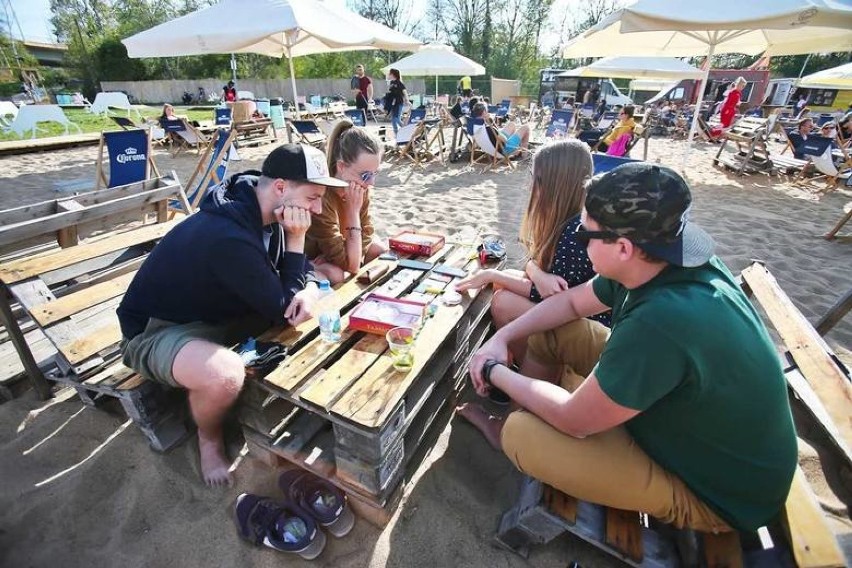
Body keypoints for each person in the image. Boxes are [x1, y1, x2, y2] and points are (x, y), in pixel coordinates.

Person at [459, 162, 797, 534]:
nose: (578, 239)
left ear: (623, 247)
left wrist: (495, 372)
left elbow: (575, 421)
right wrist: (501, 339)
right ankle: (516, 420)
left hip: (720, 494)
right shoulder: (660, 261)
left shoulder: (662, 320)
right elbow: (571, 304)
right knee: (553, 331)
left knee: (521, 435)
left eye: (586, 235)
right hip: (690, 421)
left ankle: (510, 429)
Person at [117, 144, 348, 486]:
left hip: (214, 315)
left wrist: (310, 288)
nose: (316, 209)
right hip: (158, 332)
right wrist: (297, 239)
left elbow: (300, 281)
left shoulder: (262, 208)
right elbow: (283, 305)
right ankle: (208, 439)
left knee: (324, 286)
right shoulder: (231, 236)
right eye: (314, 197)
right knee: (225, 375)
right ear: (281, 188)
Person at [456, 139, 609, 363]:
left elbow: (551, 296)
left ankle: (526, 367)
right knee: (505, 281)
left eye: (535, 179)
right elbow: (535, 266)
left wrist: (491, 273)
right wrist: (538, 274)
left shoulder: (575, 233)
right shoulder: (571, 218)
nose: (530, 186)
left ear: (553, 184)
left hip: (592, 324)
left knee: (503, 301)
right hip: (576, 311)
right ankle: (517, 360)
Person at [306, 121, 387, 284]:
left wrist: (348, 247)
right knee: (337, 273)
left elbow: (368, 233)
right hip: (310, 258)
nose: (371, 183)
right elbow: (351, 265)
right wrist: (352, 212)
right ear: (341, 166)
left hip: (342, 249)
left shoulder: (360, 189)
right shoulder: (322, 197)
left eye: (375, 174)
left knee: (381, 251)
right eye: (365, 175)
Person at [386, 68, 408, 136]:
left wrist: (407, 100)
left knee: (396, 119)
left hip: (399, 103)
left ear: (393, 75)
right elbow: (391, 92)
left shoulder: (399, 82)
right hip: (393, 103)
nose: (388, 75)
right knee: (394, 120)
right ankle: (397, 134)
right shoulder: (391, 82)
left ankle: (406, 130)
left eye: (389, 74)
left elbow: (404, 91)